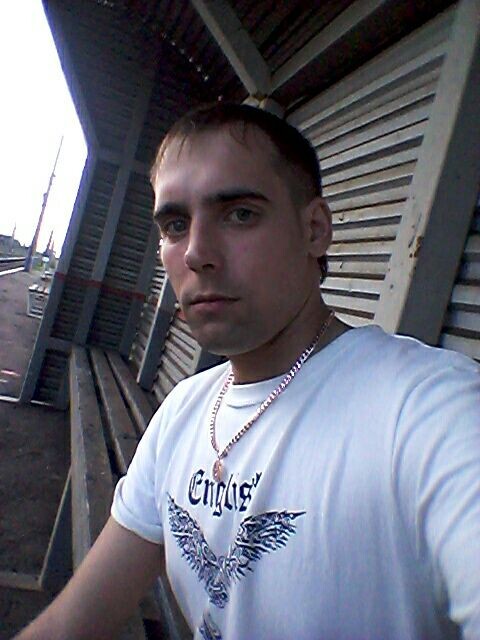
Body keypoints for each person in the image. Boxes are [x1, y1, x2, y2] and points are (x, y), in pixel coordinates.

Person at [16, 104, 480, 640]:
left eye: (239, 214)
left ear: (315, 230)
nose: (196, 253)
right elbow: (74, 622)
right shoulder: (183, 410)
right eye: (175, 225)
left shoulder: (430, 409)